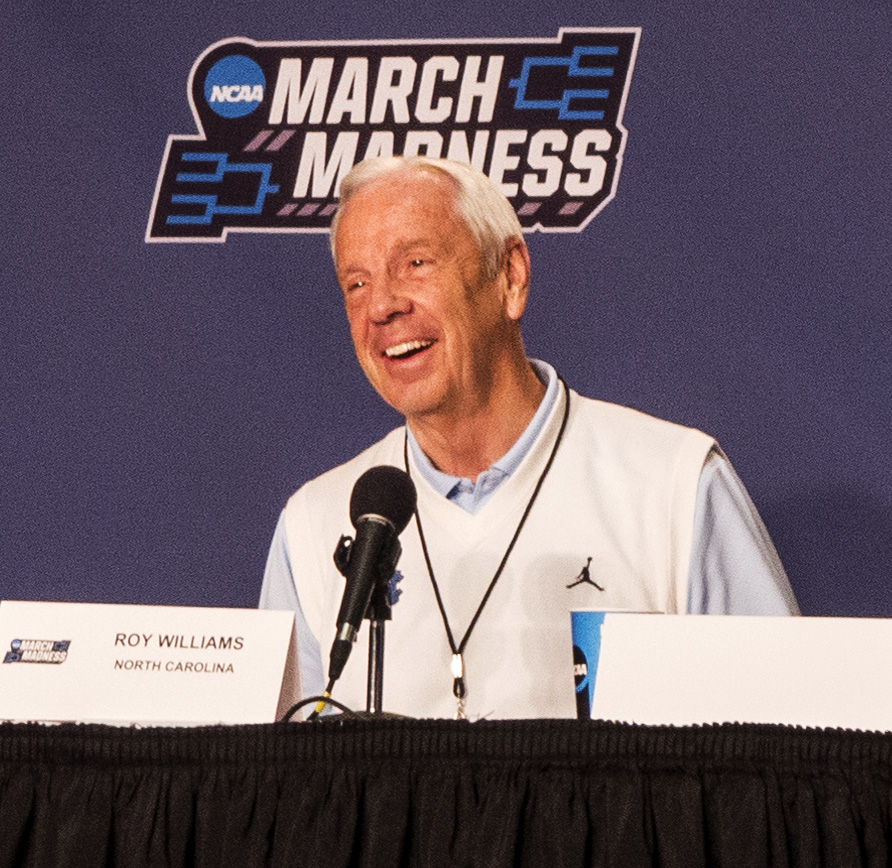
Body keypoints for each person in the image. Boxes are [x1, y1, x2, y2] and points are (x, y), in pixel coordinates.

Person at [260, 156, 797, 719]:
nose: (382, 306)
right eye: (356, 283)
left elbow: (780, 746)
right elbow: (281, 788)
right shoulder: (313, 525)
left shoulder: (674, 486)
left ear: (510, 277)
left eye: (416, 263)